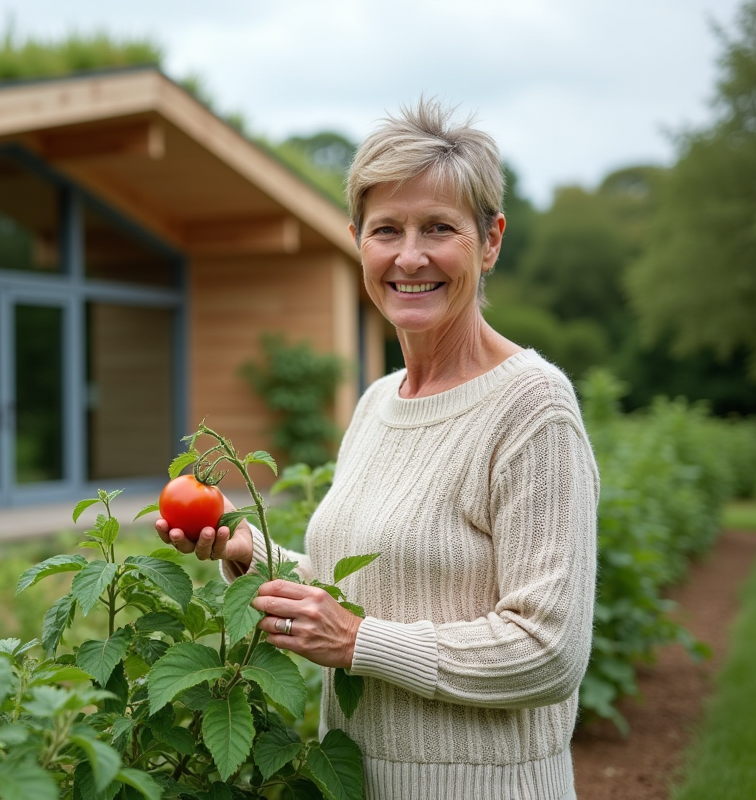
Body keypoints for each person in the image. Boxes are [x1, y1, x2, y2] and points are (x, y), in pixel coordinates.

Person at [157, 98, 599, 800]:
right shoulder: (377, 402)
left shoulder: (533, 408)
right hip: (361, 781)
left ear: (490, 241)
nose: (410, 256)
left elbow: (549, 651)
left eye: (439, 228)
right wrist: (251, 552)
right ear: (358, 241)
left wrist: (359, 643)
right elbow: (364, 592)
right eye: (387, 229)